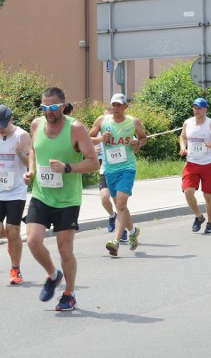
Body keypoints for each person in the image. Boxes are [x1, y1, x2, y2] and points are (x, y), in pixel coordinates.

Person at [24, 87, 98, 311]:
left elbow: (93, 162)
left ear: (63, 106)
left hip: (67, 200)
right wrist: (31, 171)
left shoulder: (75, 129)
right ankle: (53, 275)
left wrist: (67, 167)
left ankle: (70, 293)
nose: (48, 111)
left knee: (65, 250)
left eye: (53, 107)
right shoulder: (36, 125)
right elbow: (34, 152)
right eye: (44, 107)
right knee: (33, 241)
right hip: (41, 195)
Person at [89, 93, 147, 257]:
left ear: (125, 107)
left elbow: (143, 138)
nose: (115, 108)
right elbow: (88, 137)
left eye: (119, 105)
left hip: (127, 168)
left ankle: (115, 241)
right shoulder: (102, 121)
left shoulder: (132, 122)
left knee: (120, 204)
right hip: (109, 170)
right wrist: (101, 139)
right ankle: (133, 231)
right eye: (113, 105)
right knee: (120, 207)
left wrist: (138, 143)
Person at [0, 105, 32, 285]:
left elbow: (30, 161)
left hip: (16, 191)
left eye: (3, 124)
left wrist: (20, 154)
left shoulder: (21, 136)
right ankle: (13, 239)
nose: (0, 128)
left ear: (11, 119)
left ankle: (15, 270)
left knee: (13, 230)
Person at [178, 98, 211, 233]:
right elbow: (182, 137)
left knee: (208, 196)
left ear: (205, 109)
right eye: (194, 107)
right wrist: (183, 147)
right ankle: (199, 217)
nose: (196, 110)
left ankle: (210, 223)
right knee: (188, 192)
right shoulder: (187, 123)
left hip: (208, 163)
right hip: (191, 162)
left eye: (199, 108)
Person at [92, 107, 122, 240]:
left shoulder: (123, 128)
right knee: (104, 198)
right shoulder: (101, 131)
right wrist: (98, 143)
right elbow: (88, 139)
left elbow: (135, 144)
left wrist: (135, 144)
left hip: (122, 170)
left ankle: (123, 231)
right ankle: (112, 216)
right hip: (106, 169)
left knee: (120, 203)